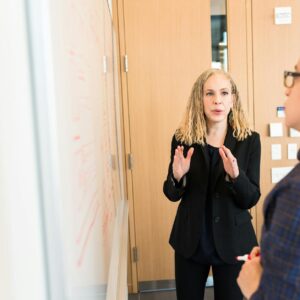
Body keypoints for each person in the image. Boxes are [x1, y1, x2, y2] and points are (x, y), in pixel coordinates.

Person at [163, 68, 261, 300]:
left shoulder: (249, 140)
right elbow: (171, 193)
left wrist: (237, 177)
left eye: (224, 93)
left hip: (234, 241)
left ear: (233, 99)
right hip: (191, 240)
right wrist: (177, 177)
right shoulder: (183, 139)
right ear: (200, 99)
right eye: (209, 93)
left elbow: (251, 198)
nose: (217, 100)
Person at [237, 58, 300, 299]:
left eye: (294, 76)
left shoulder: (294, 193)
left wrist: (253, 285)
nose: (287, 87)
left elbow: (251, 195)